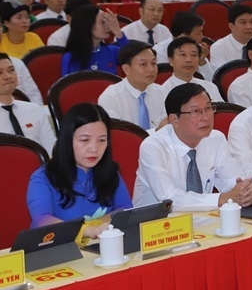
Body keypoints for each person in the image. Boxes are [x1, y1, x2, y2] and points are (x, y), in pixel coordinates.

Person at [133, 83, 252, 210]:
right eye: (196, 111)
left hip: (204, 218)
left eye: (208, 108)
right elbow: (170, 199)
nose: (206, 117)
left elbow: (230, 179)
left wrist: (245, 189)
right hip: (157, 225)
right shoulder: (152, 147)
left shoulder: (216, 139)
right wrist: (221, 198)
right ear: (174, 120)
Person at [26, 103, 132, 238]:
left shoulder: (110, 172)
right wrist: (87, 231)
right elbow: (42, 221)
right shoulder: (43, 178)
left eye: (101, 140)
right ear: (67, 140)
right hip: (58, 252)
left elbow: (126, 209)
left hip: (104, 247)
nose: (94, 148)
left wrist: (98, 225)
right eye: (85, 140)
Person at [97, 41, 167, 132]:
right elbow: (118, 135)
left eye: (153, 63)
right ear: (126, 69)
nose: (151, 69)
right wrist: (156, 131)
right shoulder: (111, 97)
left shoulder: (162, 92)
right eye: (143, 64)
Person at [0, 52, 57, 153]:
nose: (8, 76)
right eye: (0, 73)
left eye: (11, 70)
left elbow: (51, 151)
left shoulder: (34, 110)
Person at [61, 7, 129, 75]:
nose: (108, 26)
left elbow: (132, 59)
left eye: (107, 21)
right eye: (102, 22)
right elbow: (69, 84)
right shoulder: (71, 57)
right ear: (87, 26)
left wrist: (119, 33)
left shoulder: (111, 51)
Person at [163, 37, 225, 101]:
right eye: (183, 54)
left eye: (194, 55)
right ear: (171, 61)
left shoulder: (210, 88)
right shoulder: (163, 93)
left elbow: (221, 110)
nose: (189, 60)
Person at [209, 4, 252, 71]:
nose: (249, 27)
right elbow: (222, 76)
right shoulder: (219, 47)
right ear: (231, 26)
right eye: (243, 22)